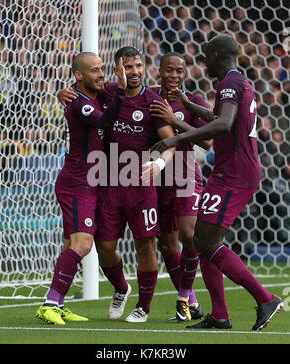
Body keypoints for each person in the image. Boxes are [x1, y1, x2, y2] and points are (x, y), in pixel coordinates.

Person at [150, 34, 283, 331]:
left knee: (206, 240)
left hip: (235, 172)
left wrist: (176, 137)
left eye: (206, 56)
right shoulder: (239, 81)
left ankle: (265, 299)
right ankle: (220, 315)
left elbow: (222, 125)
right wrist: (188, 106)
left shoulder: (229, 82)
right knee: (202, 239)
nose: (204, 62)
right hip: (230, 169)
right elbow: (220, 117)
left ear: (217, 55)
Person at [36, 52, 127, 325]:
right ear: (78, 75)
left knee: (71, 247)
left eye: (102, 69)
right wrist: (121, 91)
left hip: (94, 183)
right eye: (95, 70)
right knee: (83, 244)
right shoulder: (79, 102)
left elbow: (132, 86)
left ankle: (58, 302)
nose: (101, 74)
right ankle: (49, 304)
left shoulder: (97, 94)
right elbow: (102, 122)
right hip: (78, 183)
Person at [94, 46, 176, 323]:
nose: (135, 72)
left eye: (139, 66)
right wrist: (64, 93)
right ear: (117, 70)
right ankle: (121, 288)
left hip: (141, 186)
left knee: (145, 245)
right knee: (104, 247)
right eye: (128, 67)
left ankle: (143, 306)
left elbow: (170, 142)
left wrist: (160, 163)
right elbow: (79, 88)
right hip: (108, 183)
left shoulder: (152, 102)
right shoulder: (106, 94)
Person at [149, 52, 212, 322]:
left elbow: (207, 142)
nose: (174, 75)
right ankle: (192, 302)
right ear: (159, 71)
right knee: (166, 245)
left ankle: (183, 297)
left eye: (179, 71)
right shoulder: (149, 98)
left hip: (186, 173)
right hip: (157, 176)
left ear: (185, 73)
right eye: (169, 70)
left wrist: (175, 120)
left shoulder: (192, 101)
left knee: (189, 235)